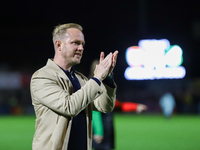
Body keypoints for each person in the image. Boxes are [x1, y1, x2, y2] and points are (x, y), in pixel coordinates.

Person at [30, 23, 118, 150]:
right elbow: (69, 107)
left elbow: (105, 107)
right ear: (59, 45)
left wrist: (107, 79)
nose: (81, 48)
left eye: (82, 44)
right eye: (75, 43)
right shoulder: (42, 77)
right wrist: (97, 78)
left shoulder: (80, 79)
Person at [89, 60, 147, 150]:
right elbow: (94, 113)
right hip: (101, 133)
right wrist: (99, 132)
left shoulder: (105, 87)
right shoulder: (95, 88)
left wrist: (136, 107)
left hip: (107, 132)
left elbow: (118, 105)